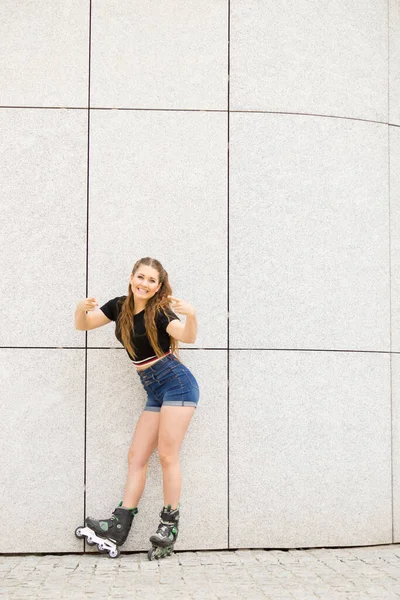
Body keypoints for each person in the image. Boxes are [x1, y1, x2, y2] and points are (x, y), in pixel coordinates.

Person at [74, 257, 199, 559]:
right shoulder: (119, 307)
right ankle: (119, 525)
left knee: (168, 455)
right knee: (137, 457)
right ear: (132, 278)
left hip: (176, 384)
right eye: (140, 277)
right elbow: (85, 325)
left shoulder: (159, 311)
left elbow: (187, 336)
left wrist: (191, 316)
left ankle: (168, 528)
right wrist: (81, 309)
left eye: (151, 280)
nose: (144, 283)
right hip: (153, 389)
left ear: (158, 287)